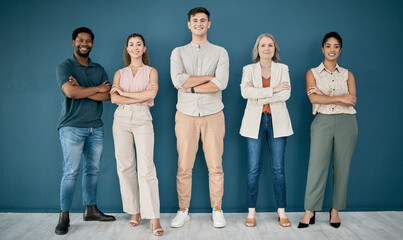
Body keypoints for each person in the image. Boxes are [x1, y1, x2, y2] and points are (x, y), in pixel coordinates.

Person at [170, 7, 229, 228]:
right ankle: (183, 210)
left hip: (214, 114)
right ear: (189, 24)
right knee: (184, 166)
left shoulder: (220, 52)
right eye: (195, 20)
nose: (199, 24)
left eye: (203, 20)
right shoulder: (178, 52)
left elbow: (220, 83)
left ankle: (217, 209)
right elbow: (177, 81)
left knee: (215, 165)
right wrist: (207, 78)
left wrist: (192, 87)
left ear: (209, 24)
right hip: (185, 115)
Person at [55, 27, 115, 235]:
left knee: (93, 171)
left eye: (88, 41)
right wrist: (96, 89)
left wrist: (84, 90)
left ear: (92, 44)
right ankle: (64, 216)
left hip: (96, 127)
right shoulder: (65, 66)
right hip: (71, 127)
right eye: (80, 40)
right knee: (71, 172)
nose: (84, 43)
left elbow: (108, 96)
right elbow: (70, 91)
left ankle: (91, 209)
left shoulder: (99, 69)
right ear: (73, 42)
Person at [298, 32, 358, 229]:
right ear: (322, 49)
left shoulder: (348, 74)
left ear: (340, 50)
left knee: (342, 168)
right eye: (328, 46)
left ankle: (335, 211)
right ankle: (310, 211)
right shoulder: (312, 73)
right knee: (317, 166)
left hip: (347, 122)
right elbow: (314, 99)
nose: (332, 50)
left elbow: (352, 100)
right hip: (322, 121)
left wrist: (325, 95)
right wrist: (340, 98)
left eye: (336, 46)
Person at [110, 33, 163, 236]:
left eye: (138, 44)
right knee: (125, 166)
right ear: (127, 48)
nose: (135, 47)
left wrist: (124, 94)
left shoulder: (151, 72)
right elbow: (114, 100)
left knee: (146, 168)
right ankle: (135, 211)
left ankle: (154, 218)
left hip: (143, 118)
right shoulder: (119, 73)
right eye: (131, 44)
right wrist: (133, 96)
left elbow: (151, 95)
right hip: (121, 120)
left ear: (144, 48)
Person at [240, 33, 293, 228]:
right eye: (263, 45)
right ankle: (251, 212)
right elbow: (245, 93)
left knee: (278, 169)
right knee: (253, 169)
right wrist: (273, 90)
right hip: (254, 122)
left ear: (275, 49)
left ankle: (281, 212)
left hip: (277, 122)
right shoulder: (248, 69)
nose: (267, 48)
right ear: (258, 48)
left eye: (270, 45)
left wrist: (260, 95)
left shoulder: (283, 68)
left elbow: (286, 94)